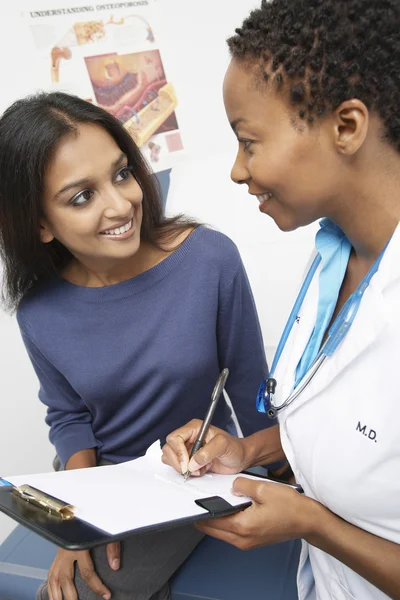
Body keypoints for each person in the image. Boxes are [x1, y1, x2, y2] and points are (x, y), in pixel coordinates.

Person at [162, 1, 400, 599]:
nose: (238, 172)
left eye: (248, 141)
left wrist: (312, 524)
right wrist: (246, 450)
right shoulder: (335, 254)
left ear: (346, 127)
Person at [0, 91, 275, 600]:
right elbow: (69, 418)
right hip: (99, 476)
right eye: (81, 196)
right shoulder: (39, 312)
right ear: (39, 224)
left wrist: (280, 479)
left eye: (121, 173)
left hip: (189, 470)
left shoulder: (209, 261)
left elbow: (251, 387)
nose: (121, 203)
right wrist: (73, 516)